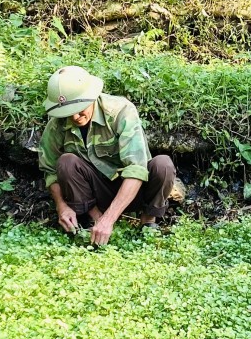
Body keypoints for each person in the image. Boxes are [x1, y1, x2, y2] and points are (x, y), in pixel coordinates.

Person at [38, 65, 178, 246]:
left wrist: (109, 220)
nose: (75, 117)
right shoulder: (56, 125)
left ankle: (148, 222)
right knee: (66, 162)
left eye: (80, 108)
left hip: (132, 190)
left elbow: (136, 168)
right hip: (95, 193)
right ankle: (94, 220)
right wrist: (61, 206)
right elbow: (50, 170)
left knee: (163, 165)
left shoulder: (120, 111)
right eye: (68, 112)